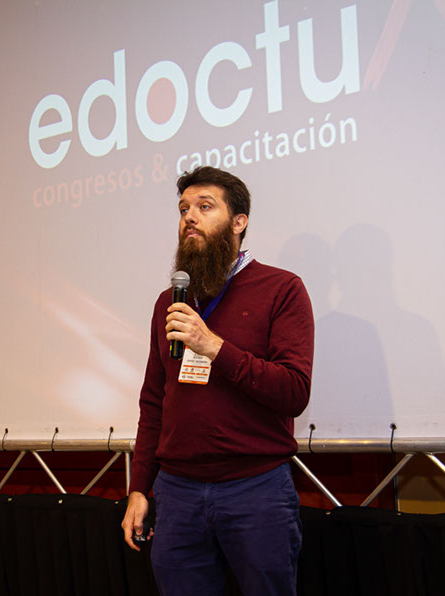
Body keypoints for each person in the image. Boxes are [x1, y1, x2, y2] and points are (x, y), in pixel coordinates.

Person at [121, 166, 314, 595]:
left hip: (256, 489)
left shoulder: (282, 289)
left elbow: (294, 391)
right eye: (183, 209)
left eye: (205, 207)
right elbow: (154, 402)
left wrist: (213, 346)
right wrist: (139, 489)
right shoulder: (171, 301)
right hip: (176, 493)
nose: (189, 217)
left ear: (238, 222)